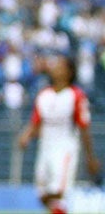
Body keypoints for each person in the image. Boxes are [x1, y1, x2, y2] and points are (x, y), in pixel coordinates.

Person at [18, 55, 100, 214]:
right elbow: (36, 121)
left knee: (58, 191)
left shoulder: (76, 95)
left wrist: (90, 157)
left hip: (65, 149)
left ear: (69, 72)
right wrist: (26, 135)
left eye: (60, 66)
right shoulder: (44, 95)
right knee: (43, 194)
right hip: (45, 148)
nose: (54, 68)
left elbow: (84, 128)